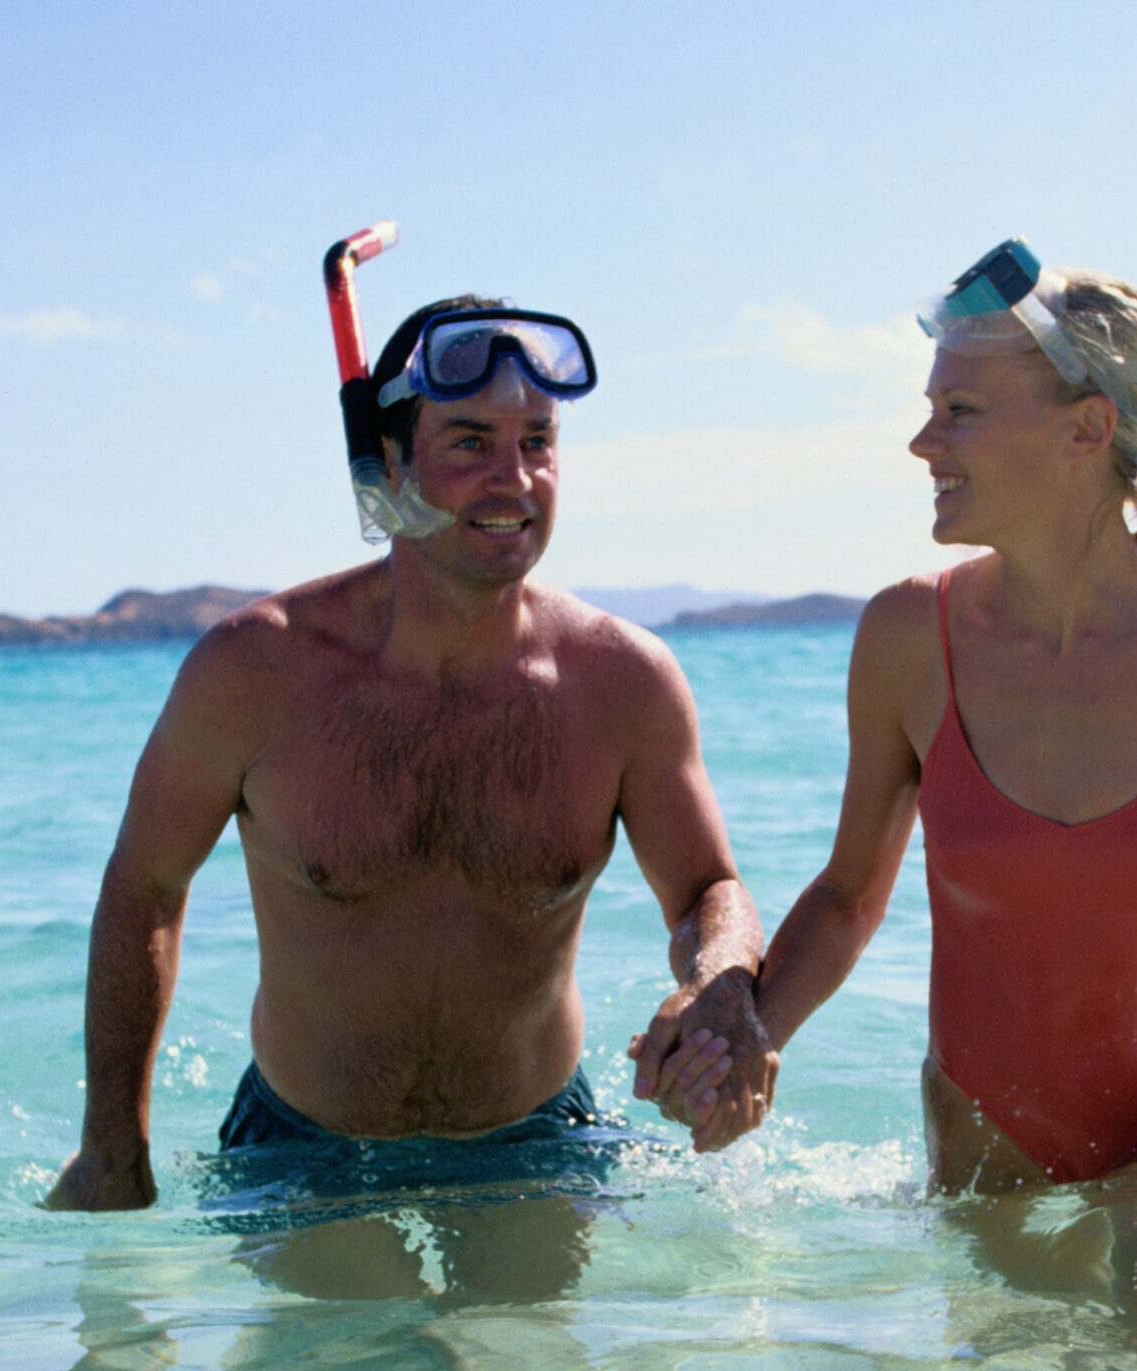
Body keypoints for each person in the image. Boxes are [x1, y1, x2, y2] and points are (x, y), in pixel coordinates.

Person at [649, 240, 1137, 1324]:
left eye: (959, 409)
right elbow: (847, 897)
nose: (921, 441)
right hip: (985, 1130)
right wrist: (752, 1036)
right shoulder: (908, 637)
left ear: (1085, 429)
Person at [46, 296, 778, 1227]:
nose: (515, 478)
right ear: (386, 464)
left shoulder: (622, 681)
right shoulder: (255, 670)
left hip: (537, 1137)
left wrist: (721, 985)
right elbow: (144, 886)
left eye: (539, 441)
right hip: (303, 1146)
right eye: (470, 442)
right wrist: (113, 1145)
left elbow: (708, 887)